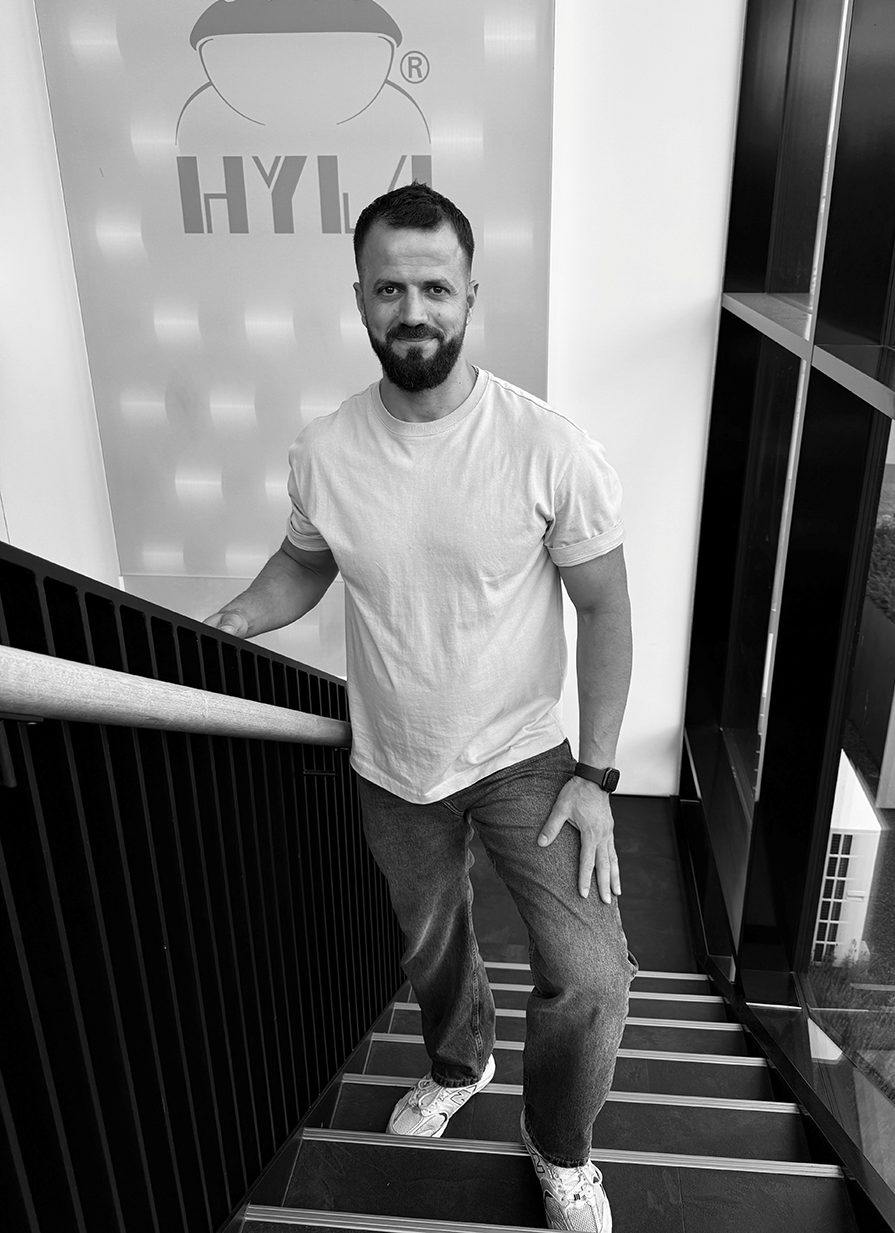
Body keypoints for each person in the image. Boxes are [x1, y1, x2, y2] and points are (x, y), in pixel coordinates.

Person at [205, 183, 636, 1232]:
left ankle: (557, 1144)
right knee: (432, 944)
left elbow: (605, 607)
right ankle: (460, 1061)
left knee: (591, 972)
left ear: (470, 296)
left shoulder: (546, 446)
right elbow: (304, 563)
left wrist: (595, 775)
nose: (413, 310)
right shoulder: (324, 450)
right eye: (390, 288)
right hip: (392, 759)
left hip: (526, 755)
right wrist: (239, 618)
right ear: (359, 297)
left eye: (435, 288)